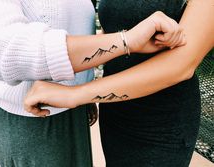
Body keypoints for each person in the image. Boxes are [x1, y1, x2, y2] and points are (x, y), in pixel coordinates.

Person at [0, 0, 186, 166]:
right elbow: (5, 49)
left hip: (80, 109)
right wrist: (126, 41)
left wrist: (81, 90)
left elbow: (182, 63)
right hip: (34, 116)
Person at [24, 0, 214, 166]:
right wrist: (89, 81)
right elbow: (111, 33)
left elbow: (181, 65)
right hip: (116, 113)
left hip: (162, 123)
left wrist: (75, 94)